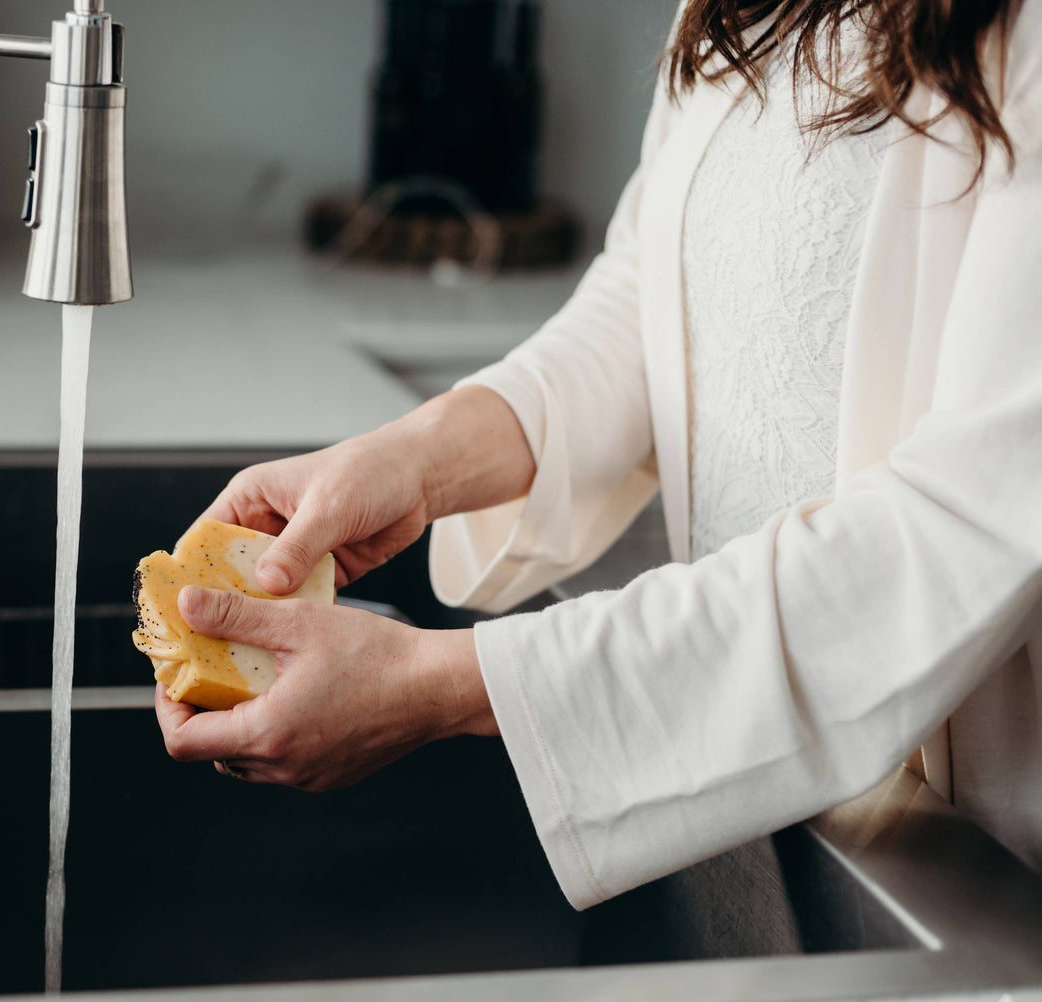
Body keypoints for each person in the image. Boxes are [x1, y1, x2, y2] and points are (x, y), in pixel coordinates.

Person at [155, 0, 1042, 909]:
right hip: (742, 754)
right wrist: (418, 457)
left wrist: (447, 684)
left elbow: (971, 521)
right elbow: (656, 290)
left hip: (974, 859)